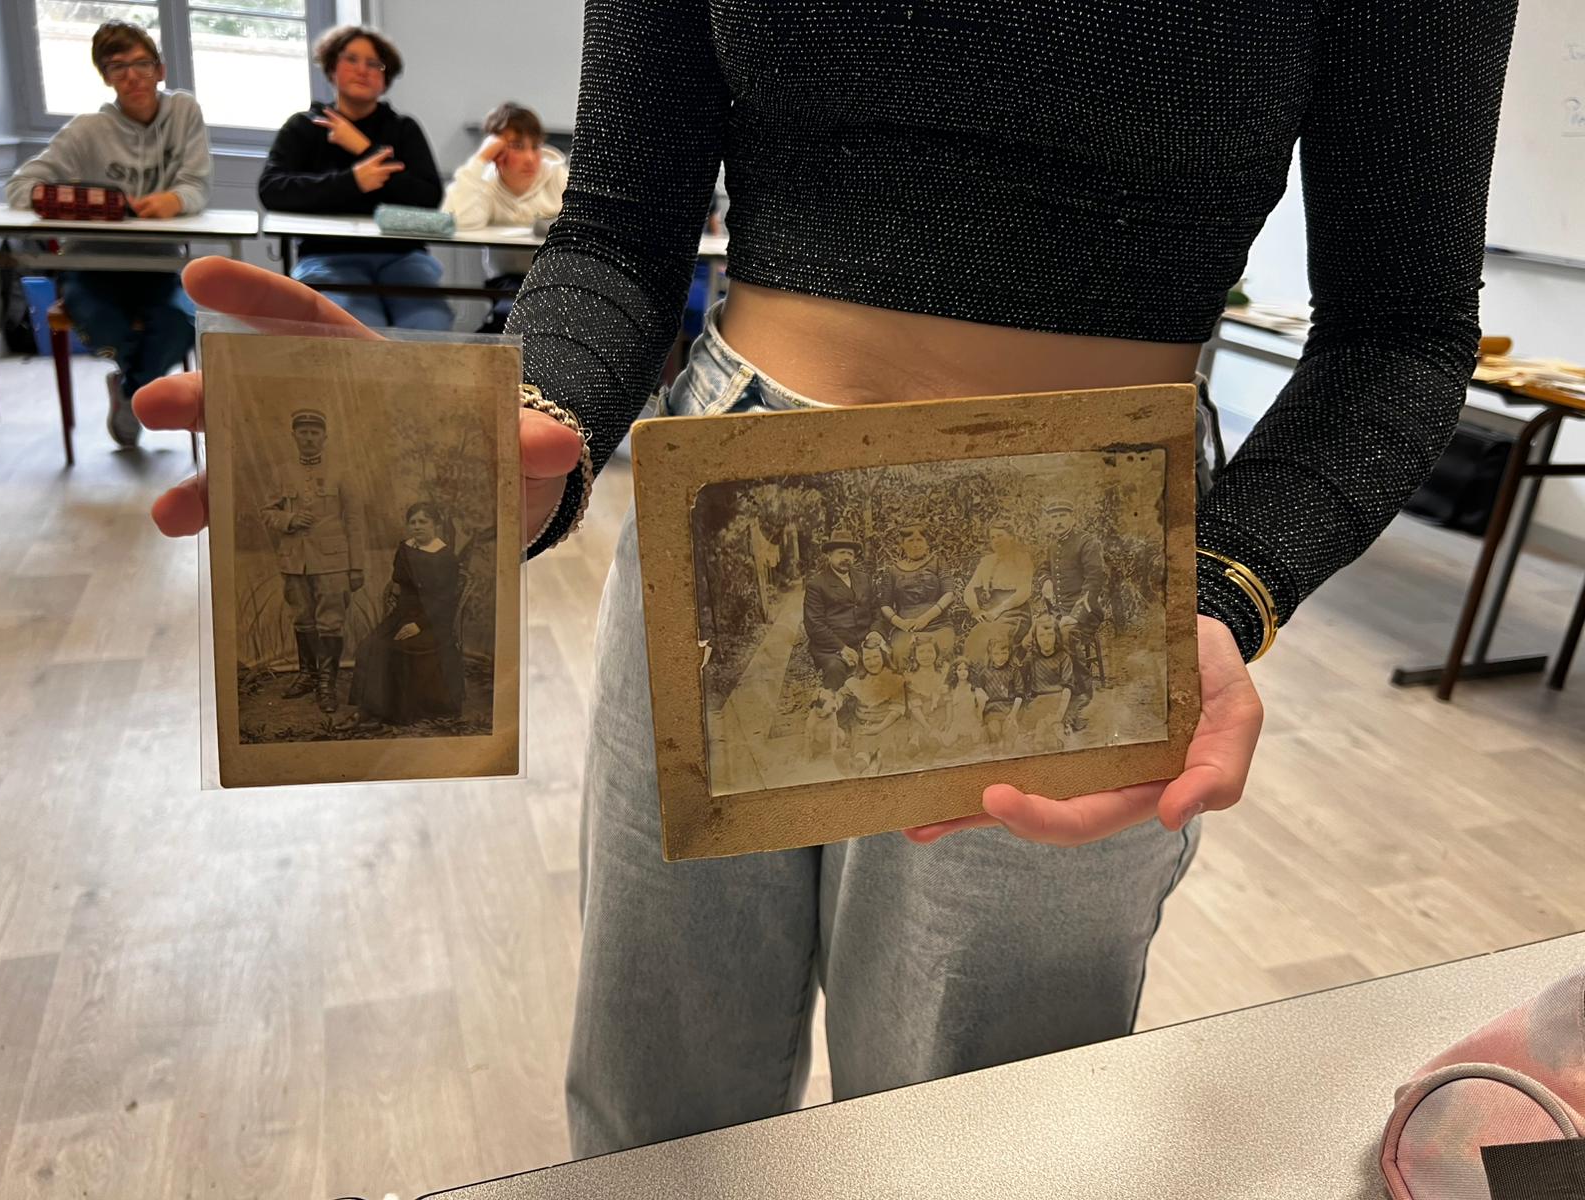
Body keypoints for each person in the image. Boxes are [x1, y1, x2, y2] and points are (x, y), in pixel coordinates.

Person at [139, 0, 1518, 1163]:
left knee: (983, 1143)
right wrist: (539, 411)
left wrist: (1223, 590)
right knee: (658, 1121)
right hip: (722, 503)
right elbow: (618, 228)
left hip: (1073, 564)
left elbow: (1398, 334)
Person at [5, 19, 209, 448]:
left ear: (160, 69)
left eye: (142, 64)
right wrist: (79, 202)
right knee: (100, 323)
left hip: (158, 263)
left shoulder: (184, 111)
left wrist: (175, 200)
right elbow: (21, 186)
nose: (133, 76)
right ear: (106, 77)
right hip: (90, 263)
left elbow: (196, 184)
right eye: (118, 67)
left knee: (180, 322)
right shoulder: (87, 129)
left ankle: (129, 393)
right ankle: (139, 389)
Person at [258, 25, 451, 331]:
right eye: (351, 59)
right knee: (358, 331)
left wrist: (363, 147)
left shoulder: (404, 129)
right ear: (332, 68)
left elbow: (429, 197)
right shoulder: (303, 127)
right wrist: (353, 182)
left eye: (374, 64)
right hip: (327, 257)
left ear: (385, 79)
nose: (362, 70)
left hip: (402, 257)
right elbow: (272, 190)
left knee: (430, 324)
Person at [259, 408, 364, 714]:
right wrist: (289, 519)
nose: (308, 438)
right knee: (302, 618)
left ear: (324, 437)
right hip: (294, 560)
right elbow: (267, 512)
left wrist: (356, 566)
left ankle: (326, 684)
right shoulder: (281, 472)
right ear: (294, 435)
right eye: (303, 432)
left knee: (330, 621)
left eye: (314, 433)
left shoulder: (342, 471)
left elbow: (355, 521)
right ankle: (308, 675)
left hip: (333, 561)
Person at [442, 102, 568, 334]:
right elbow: (463, 222)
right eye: (517, 146)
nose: (530, 158)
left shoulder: (558, 177)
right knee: (511, 315)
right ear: (496, 150)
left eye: (535, 146)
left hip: (556, 277)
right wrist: (480, 160)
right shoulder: (484, 183)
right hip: (508, 280)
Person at [348, 502, 466, 727]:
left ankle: (388, 712)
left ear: (435, 524)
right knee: (370, 645)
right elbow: (399, 582)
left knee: (397, 648)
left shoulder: (445, 557)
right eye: (412, 522)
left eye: (423, 521)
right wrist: (399, 614)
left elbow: (444, 601)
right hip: (403, 614)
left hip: (433, 620)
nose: (417, 526)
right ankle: (369, 709)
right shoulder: (405, 549)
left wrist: (418, 624)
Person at [1034, 500, 1108, 732]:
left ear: (1072, 518)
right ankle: (1049, 691)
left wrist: (1075, 615)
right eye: (1053, 517)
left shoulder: (1086, 542)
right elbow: (1043, 568)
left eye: (1062, 516)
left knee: (1065, 634)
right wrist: (1045, 581)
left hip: (1085, 613)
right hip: (1057, 612)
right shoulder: (1053, 545)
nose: (1057, 521)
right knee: (1033, 636)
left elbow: (1094, 580)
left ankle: (1081, 694)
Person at [800, 528, 875, 691]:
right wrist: (841, 648)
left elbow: (876, 611)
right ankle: (832, 704)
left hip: (864, 642)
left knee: (888, 660)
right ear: (829, 555)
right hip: (831, 647)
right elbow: (815, 626)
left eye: (850, 554)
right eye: (841, 553)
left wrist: (875, 634)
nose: (846, 558)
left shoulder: (864, 579)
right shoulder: (817, 584)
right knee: (835, 668)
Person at [875, 522, 956, 665]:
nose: (915, 545)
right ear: (902, 544)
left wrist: (925, 618)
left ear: (926, 544)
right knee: (902, 653)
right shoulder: (892, 571)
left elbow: (949, 594)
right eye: (910, 541)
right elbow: (885, 605)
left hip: (938, 625)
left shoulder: (938, 563)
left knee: (941, 653)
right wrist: (900, 623)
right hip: (906, 628)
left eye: (919, 540)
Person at [835, 631, 908, 776]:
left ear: (883, 657)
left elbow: (897, 709)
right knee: (862, 745)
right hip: (864, 724)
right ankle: (861, 763)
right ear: (862, 660)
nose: (872, 662)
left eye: (876, 657)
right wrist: (837, 700)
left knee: (887, 745)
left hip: (888, 723)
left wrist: (879, 728)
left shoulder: (894, 678)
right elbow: (841, 693)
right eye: (867, 659)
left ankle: (880, 762)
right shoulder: (857, 680)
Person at [963, 521, 1036, 662]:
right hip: (990, 614)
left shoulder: (1022, 559)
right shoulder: (986, 561)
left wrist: (997, 611)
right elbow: (969, 589)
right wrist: (976, 610)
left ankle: (1002, 672)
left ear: (1011, 537)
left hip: (1015, 614)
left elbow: (1024, 591)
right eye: (993, 537)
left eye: (1000, 536)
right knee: (976, 636)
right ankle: (977, 674)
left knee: (995, 638)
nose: (996, 541)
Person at [1019, 613, 1075, 751]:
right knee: (1028, 734)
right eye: (1041, 636)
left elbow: (1067, 688)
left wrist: (1060, 712)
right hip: (1039, 701)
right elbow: (1020, 680)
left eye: (1050, 635)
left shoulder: (1063, 657)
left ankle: (1052, 738)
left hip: (1058, 699)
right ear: (1035, 638)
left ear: (1056, 636)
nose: (1046, 640)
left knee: (1054, 730)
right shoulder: (1032, 658)